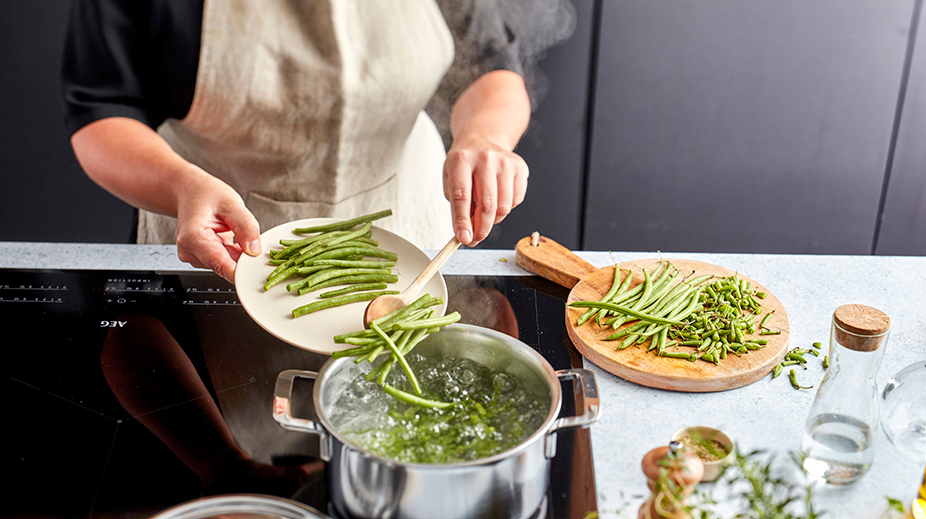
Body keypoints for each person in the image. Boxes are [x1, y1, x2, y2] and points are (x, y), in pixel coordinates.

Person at [61, 0, 572, 283]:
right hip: (220, 241)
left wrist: (485, 135)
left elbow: (490, 70)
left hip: (403, 227)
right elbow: (102, 112)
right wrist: (180, 186)